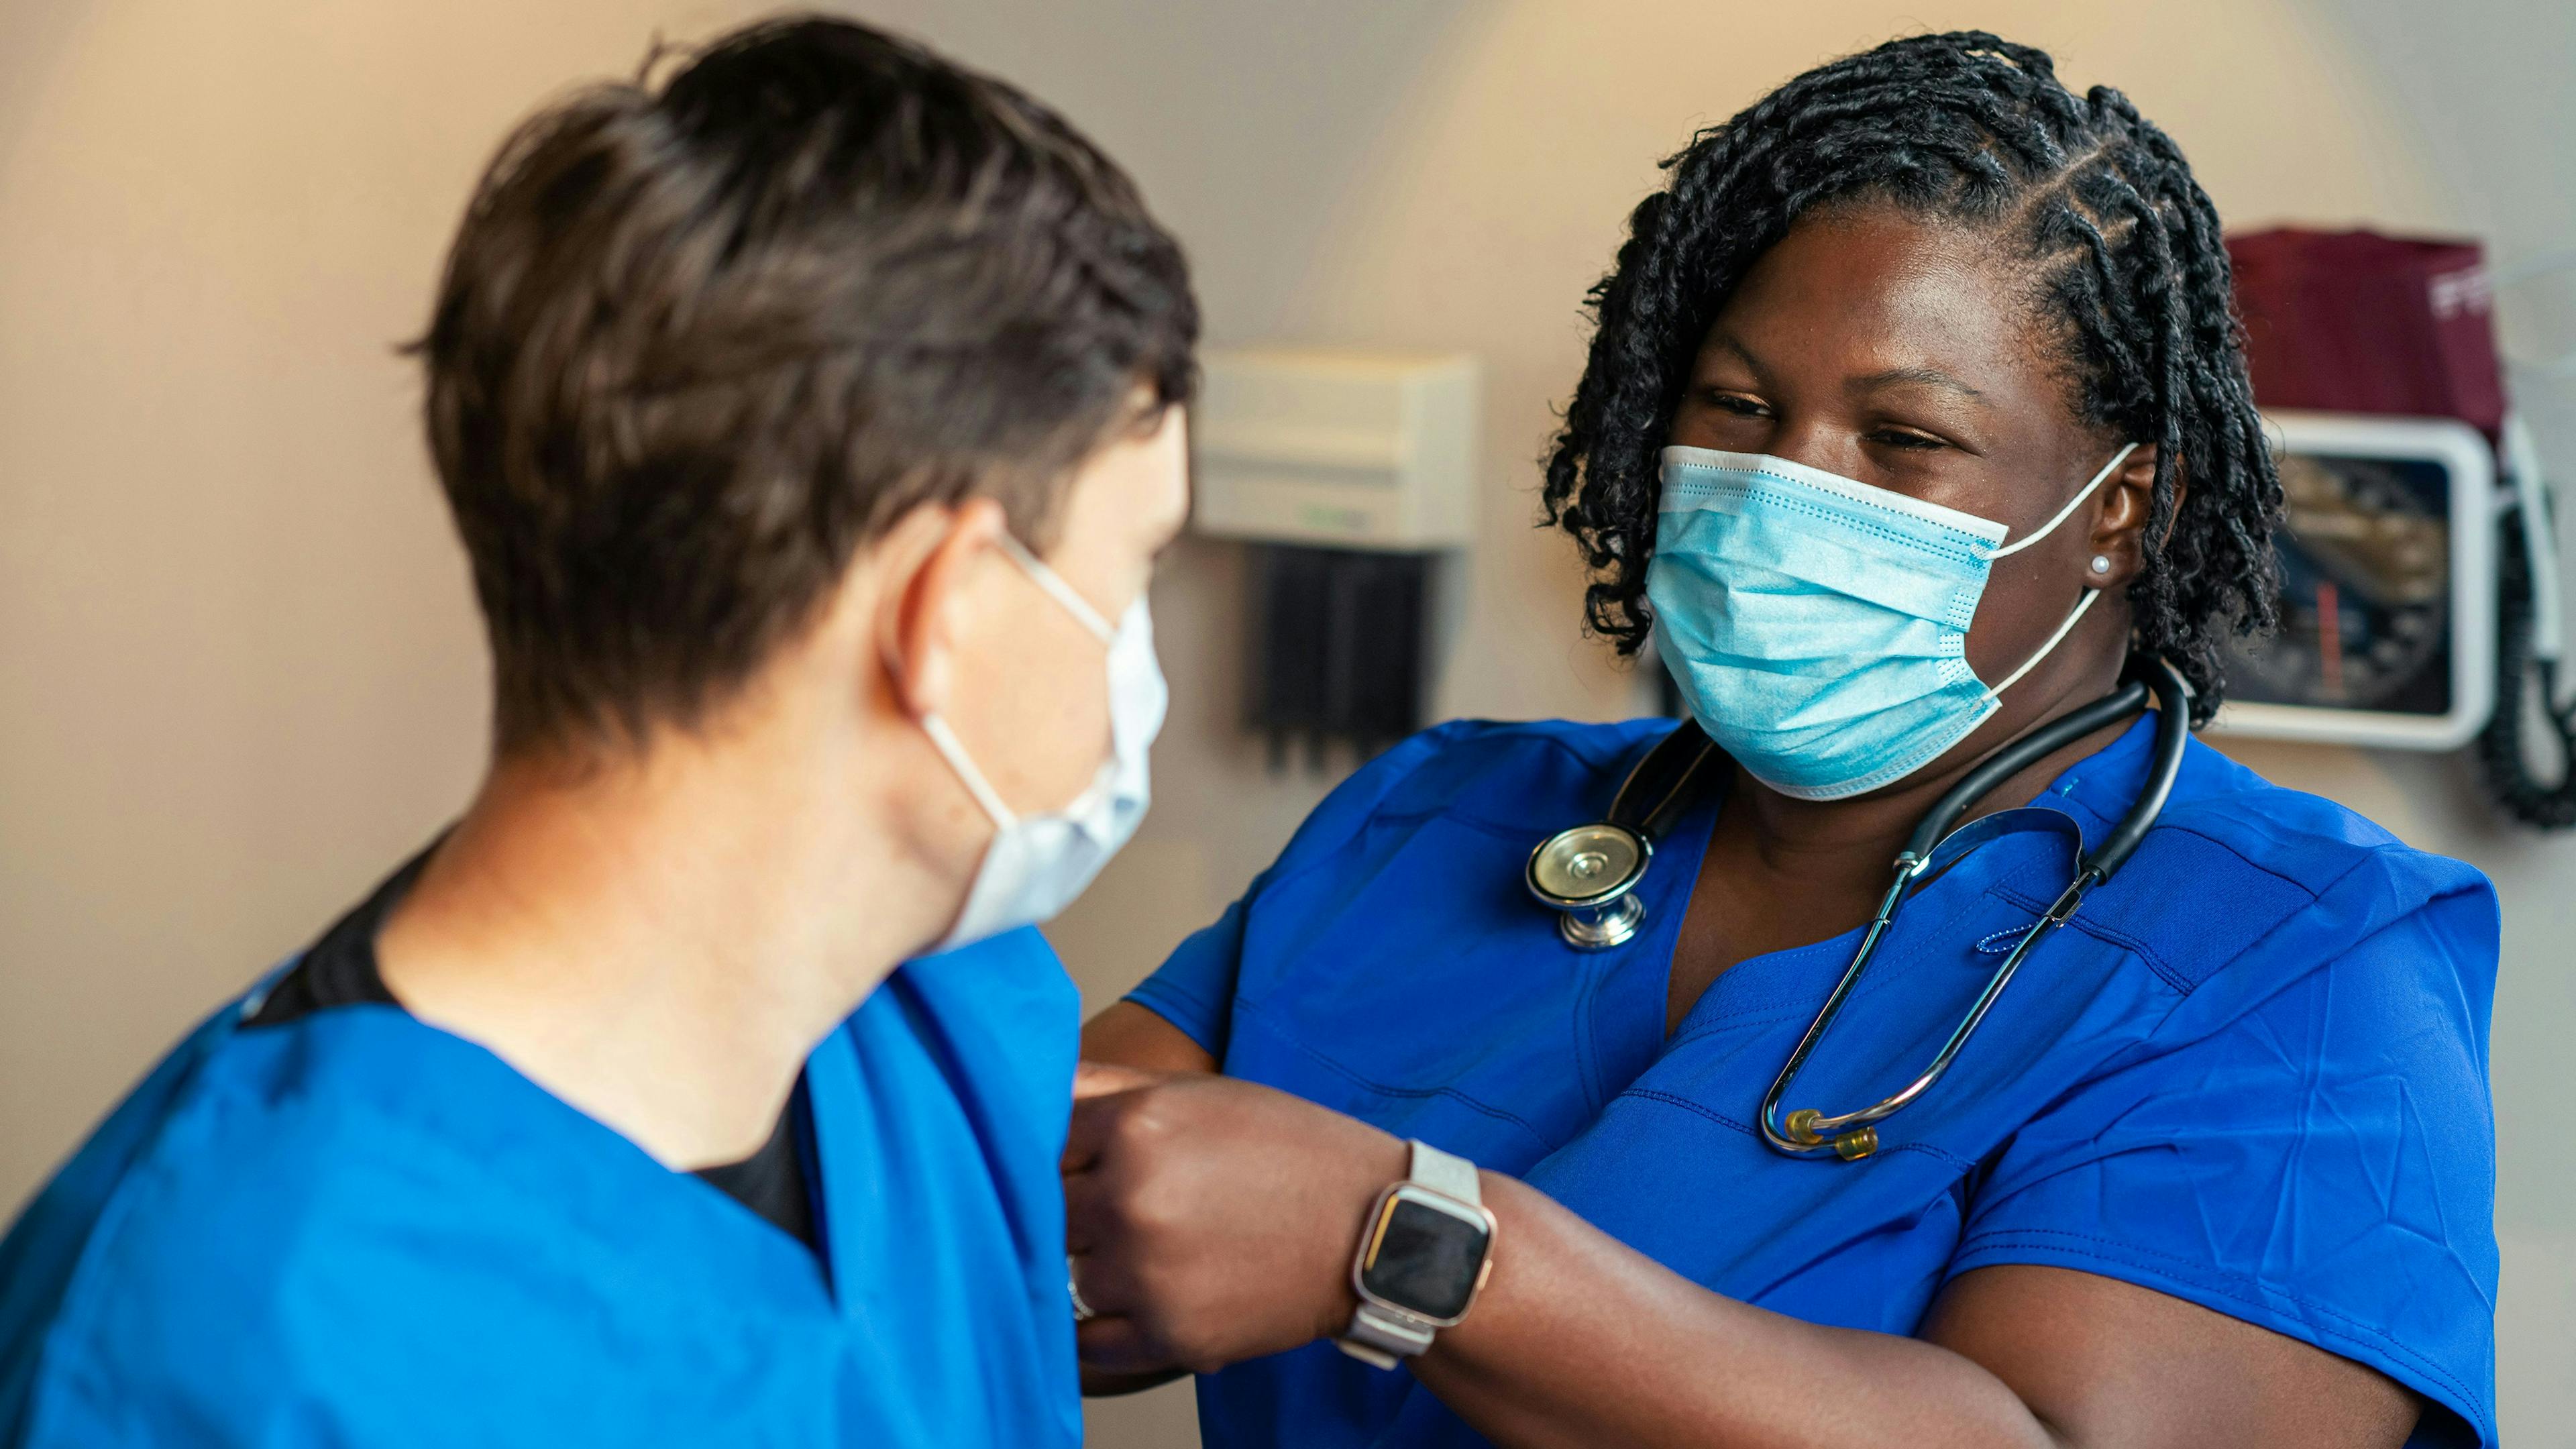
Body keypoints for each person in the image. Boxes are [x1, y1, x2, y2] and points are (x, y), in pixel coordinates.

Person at [1073, 32, 2498, 1449]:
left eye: (1904, 438)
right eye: (1739, 409)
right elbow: (1052, 1218)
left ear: (2125, 508)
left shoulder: (2297, 961)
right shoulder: (1442, 820)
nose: (1782, 486)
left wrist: (1405, 1244)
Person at [0, 16, 1194, 1446]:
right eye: (1136, 574)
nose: (1135, 665)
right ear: (944, 612)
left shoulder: (935, 1012)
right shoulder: (230, 1343)